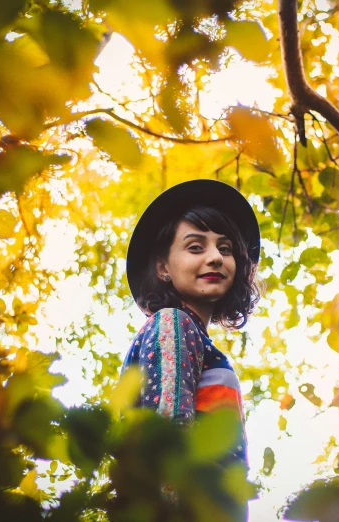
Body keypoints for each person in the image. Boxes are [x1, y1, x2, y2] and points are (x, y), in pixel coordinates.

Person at [122, 179, 262, 520]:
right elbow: (169, 430)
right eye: (196, 247)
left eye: (225, 248)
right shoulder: (173, 324)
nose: (215, 257)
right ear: (163, 268)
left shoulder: (200, 342)